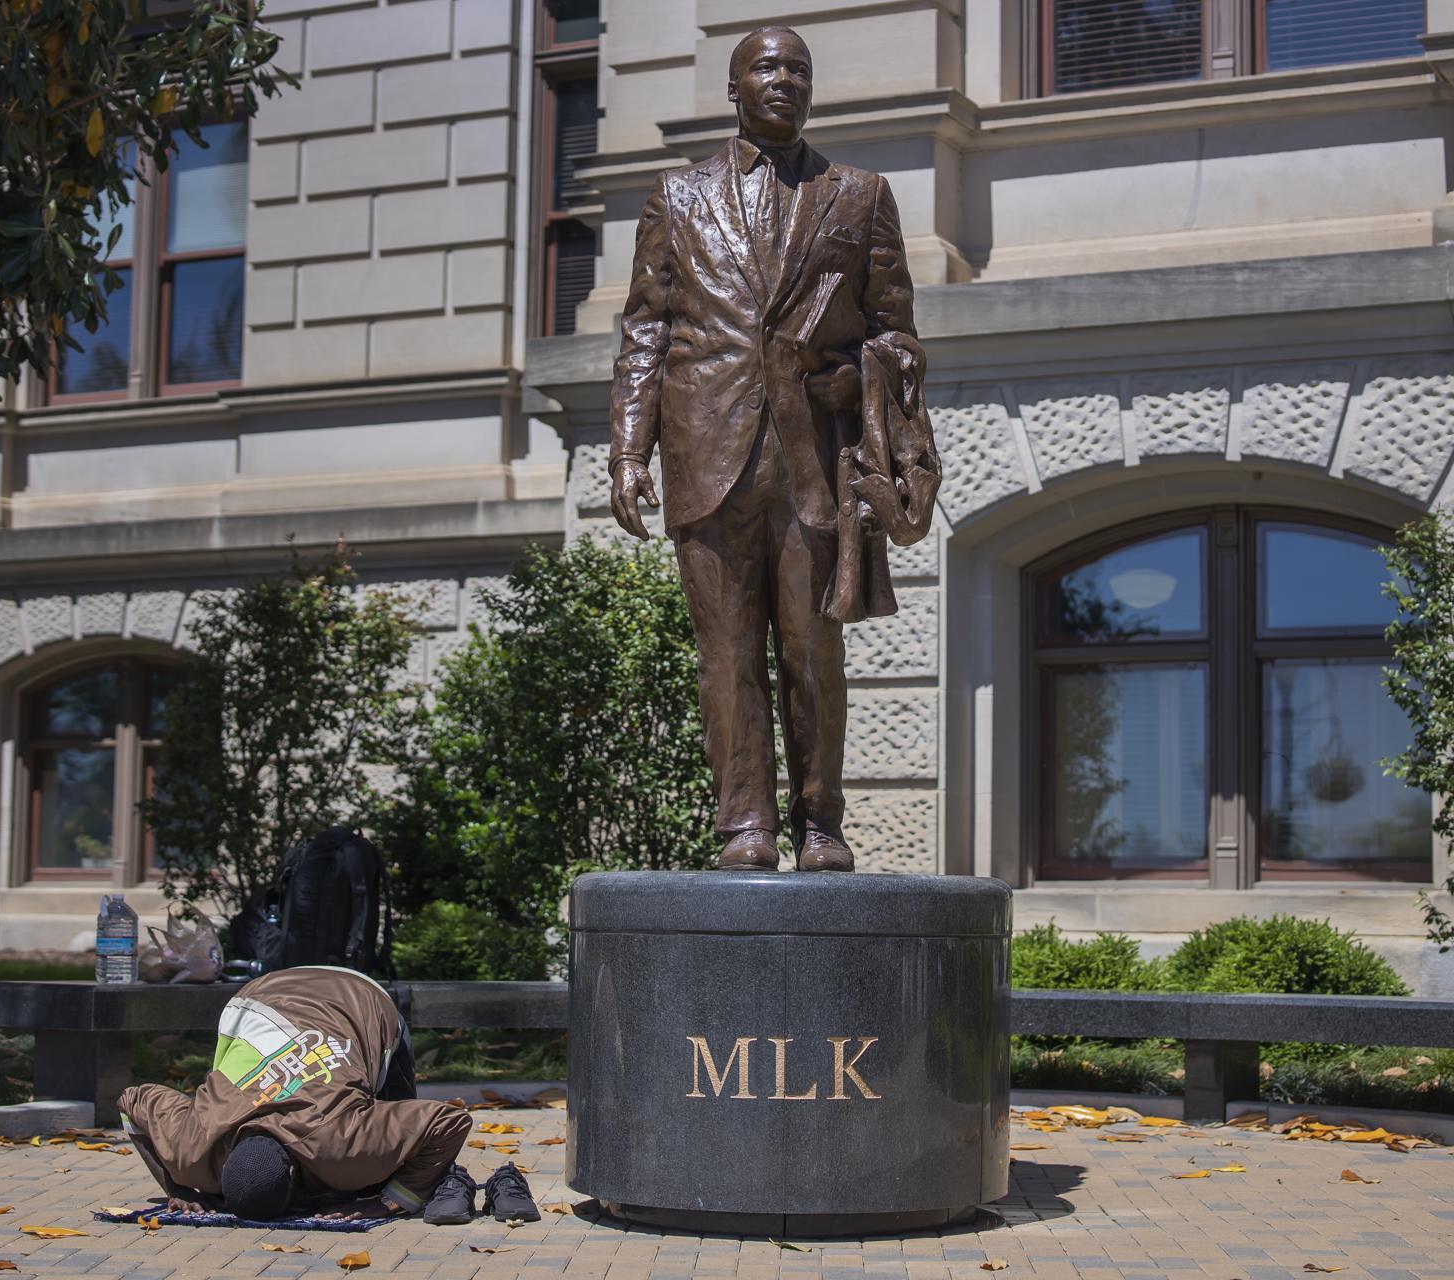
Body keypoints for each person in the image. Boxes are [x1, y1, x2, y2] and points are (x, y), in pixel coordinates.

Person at [608, 26, 933, 873]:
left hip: (813, 461)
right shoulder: (676, 198)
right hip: (705, 453)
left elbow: (900, 335)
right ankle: (744, 824)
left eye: (799, 69)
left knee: (812, 649)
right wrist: (627, 453)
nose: (783, 80)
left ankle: (820, 823)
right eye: (767, 66)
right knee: (727, 655)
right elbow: (644, 331)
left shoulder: (859, 196)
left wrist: (857, 376)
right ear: (734, 85)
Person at [117, 965, 534, 1223]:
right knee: (378, 1157)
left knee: (401, 1156)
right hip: (261, 995)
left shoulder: (340, 1144)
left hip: (361, 995)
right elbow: (132, 1102)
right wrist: (179, 1186)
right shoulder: (192, 1150)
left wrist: (391, 1201)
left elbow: (448, 1122)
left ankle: (443, 1179)